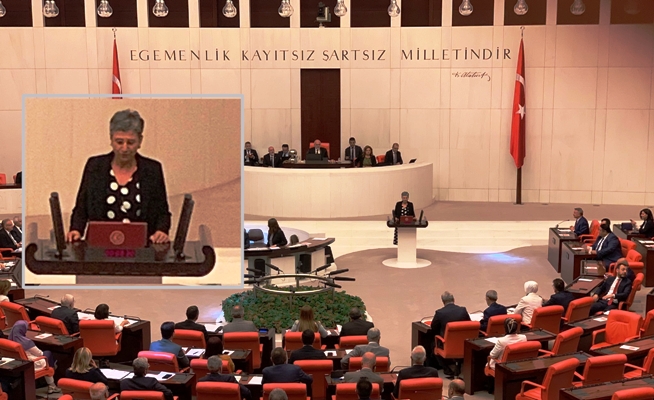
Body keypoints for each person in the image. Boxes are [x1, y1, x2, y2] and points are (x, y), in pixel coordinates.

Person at [67, 109, 171, 244]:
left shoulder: (152, 170)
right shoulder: (95, 167)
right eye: (119, 142)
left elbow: (162, 212)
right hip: (99, 246)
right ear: (111, 139)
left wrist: (161, 231)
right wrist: (76, 229)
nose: (125, 148)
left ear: (140, 141)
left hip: (141, 247)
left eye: (131, 142)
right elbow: (81, 208)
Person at [9, 321, 60, 394]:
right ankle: (52, 382)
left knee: (48, 357)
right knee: (47, 353)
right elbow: (40, 353)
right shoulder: (26, 342)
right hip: (32, 364)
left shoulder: (9, 340)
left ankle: (52, 377)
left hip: (18, 364)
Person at [429, 291, 470, 377]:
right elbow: (469, 323)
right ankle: (458, 364)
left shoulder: (439, 313)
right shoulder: (463, 310)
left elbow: (433, 328)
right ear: (454, 299)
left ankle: (446, 369)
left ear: (443, 301)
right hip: (462, 342)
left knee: (433, 343)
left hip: (447, 343)